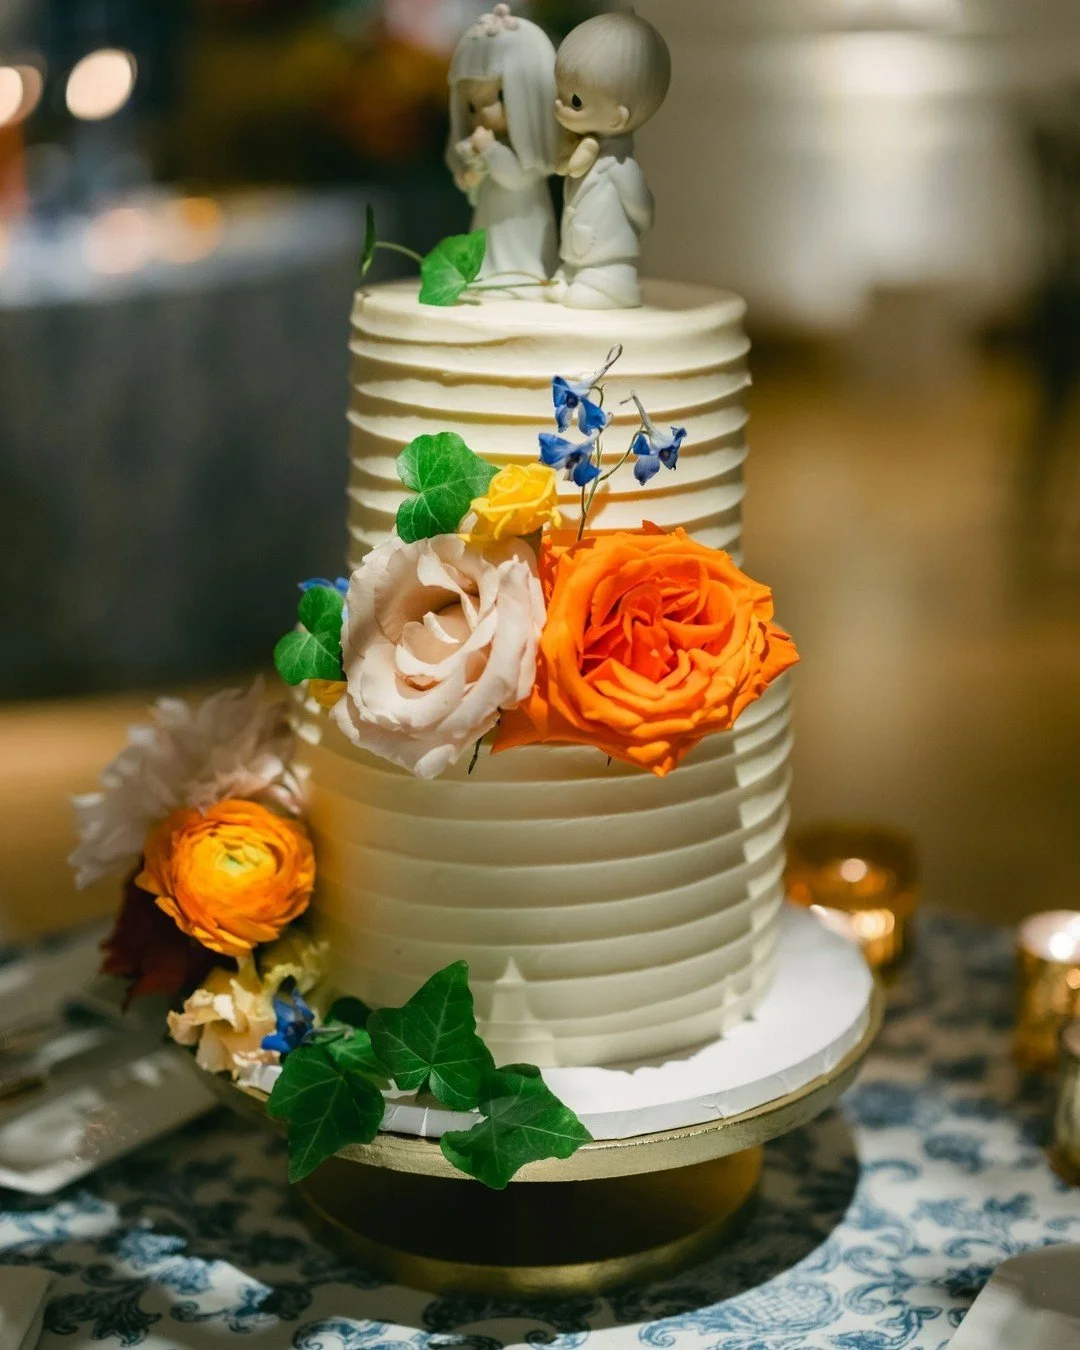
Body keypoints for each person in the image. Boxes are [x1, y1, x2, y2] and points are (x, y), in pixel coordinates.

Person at [552, 10, 671, 309]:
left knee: (583, 295)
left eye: (575, 102)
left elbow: (643, 210)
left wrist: (634, 229)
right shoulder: (579, 148)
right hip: (576, 253)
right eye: (561, 94)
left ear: (618, 119)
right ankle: (574, 273)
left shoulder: (621, 168)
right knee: (559, 288)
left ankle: (614, 287)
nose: (559, 106)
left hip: (607, 260)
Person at [446, 4, 559, 292]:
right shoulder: (483, 140)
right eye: (471, 106)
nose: (482, 113)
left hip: (522, 214)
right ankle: (489, 270)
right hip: (490, 212)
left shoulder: (527, 152)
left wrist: (492, 150)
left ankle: (520, 273)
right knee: (489, 240)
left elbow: (516, 178)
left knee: (516, 246)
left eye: (496, 97)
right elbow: (474, 179)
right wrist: (469, 177)